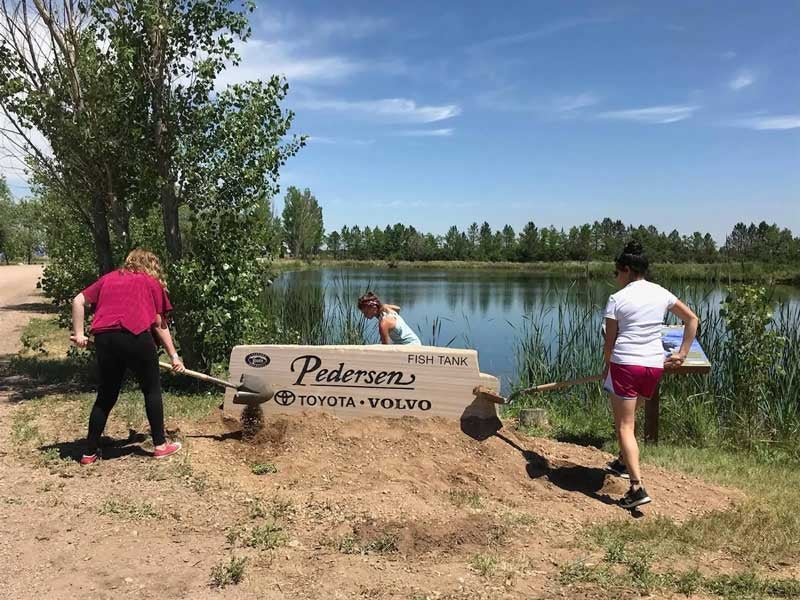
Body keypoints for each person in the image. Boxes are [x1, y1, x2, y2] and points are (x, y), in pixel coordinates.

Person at [602, 240, 699, 508]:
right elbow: (692, 319)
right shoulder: (661, 293)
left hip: (625, 364)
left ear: (626, 270)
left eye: (616, 272)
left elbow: (609, 345)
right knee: (631, 420)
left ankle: (636, 487)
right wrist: (681, 354)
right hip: (653, 367)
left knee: (624, 426)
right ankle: (623, 462)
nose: (615, 278)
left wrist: (607, 368)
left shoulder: (617, 299)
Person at [70, 248, 186, 465]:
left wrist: (79, 334)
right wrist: (174, 356)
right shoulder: (150, 283)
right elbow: (159, 323)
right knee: (151, 389)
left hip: (104, 338)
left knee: (106, 394)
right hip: (135, 336)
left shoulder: (108, 279)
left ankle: (89, 452)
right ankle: (160, 446)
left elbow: (78, 300)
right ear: (150, 265)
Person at [357, 292, 422, 345]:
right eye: (363, 312)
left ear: (374, 307)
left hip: (410, 347)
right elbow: (398, 308)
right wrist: (384, 306)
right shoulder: (388, 310)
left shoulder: (384, 323)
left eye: (366, 312)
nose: (364, 315)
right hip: (415, 343)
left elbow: (385, 347)